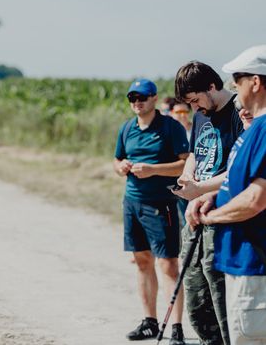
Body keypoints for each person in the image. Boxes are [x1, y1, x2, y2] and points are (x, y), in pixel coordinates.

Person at [187, 44, 266, 344]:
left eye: (238, 81)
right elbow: (239, 186)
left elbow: (256, 199)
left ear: (255, 82)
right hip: (241, 265)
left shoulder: (264, 131)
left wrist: (212, 216)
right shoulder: (253, 131)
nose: (234, 88)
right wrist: (213, 197)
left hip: (256, 266)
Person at [114, 79, 189, 344]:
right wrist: (121, 166)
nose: (137, 102)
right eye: (132, 98)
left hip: (161, 204)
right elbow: (117, 159)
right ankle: (149, 322)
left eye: (142, 97)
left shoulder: (171, 127)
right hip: (132, 202)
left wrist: (153, 169)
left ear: (154, 98)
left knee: (168, 264)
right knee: (142, 261)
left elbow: (184, 165)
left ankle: (177, 328)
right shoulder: (127, 128)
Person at [173, 61, 244, 345]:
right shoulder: (202, 114)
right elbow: (194, 153)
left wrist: (201, 189)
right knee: (195, 296)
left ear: (212, 87)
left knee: (220, 293)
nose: (195, 108)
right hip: (194, 215)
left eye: (196, 100)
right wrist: (188, 174)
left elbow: (240, 170)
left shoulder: (241, 113)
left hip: (220, 214)